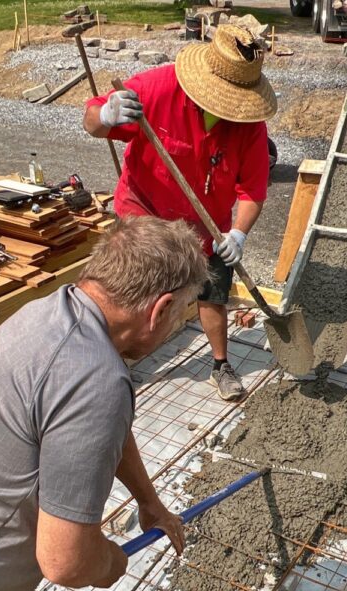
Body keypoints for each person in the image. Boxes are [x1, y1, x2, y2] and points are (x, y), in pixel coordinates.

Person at [0, 217, 209, 591]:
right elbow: (66, 563)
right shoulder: (98, 380)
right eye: (180, 312)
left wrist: (149, 501)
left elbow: (97, 424)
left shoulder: (45, 311)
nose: (176, 323)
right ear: (159, 310)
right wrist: (111, 562)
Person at [83, 25, 277, 399]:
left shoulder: (250, 125)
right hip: (147, 216)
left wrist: (239, 233)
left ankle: (220, 365)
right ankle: (112, 363)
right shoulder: (155, 90)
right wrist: (106, 115)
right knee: (133, 295)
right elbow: (91, 120)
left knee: (213, 295)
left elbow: (253, 189)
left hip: (209, 228)